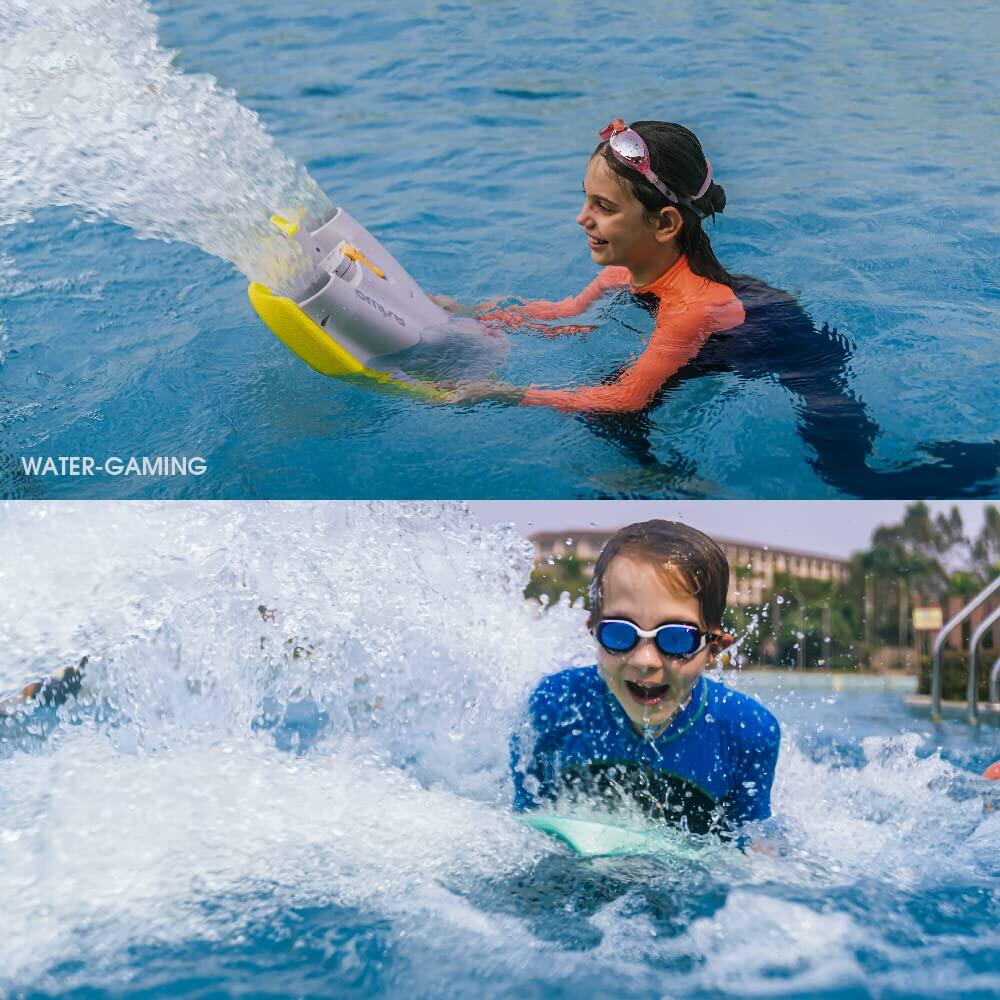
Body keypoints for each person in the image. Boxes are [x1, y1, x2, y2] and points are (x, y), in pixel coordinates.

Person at [439, 119, 1000, 499]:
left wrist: (508, 395)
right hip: (731, 317)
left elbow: (627, 396)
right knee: (606, 394)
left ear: (664, 224)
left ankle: (986, 460)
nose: (582, 219)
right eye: (584, 200)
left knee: (859, 477)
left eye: (603, 207)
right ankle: (662, 476)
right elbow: (560, 312)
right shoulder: (624, 272)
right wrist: (462, 312)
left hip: (788, 347)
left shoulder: (686, 310)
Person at [510, 519, 780, 836]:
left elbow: (751, 851)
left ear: (713, 649)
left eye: (676, 638)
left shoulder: (746, 732)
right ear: (594, 632)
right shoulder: (555, 707)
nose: (645, 660)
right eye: (620, 633)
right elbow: (525, 826)